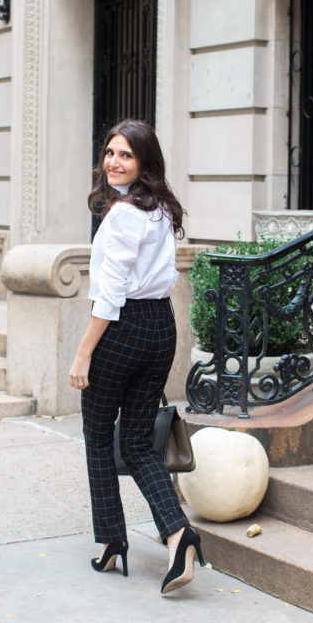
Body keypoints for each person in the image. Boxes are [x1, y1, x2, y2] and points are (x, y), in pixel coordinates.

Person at [68, 118, 205, 594]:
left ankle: (111, 544)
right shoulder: (161, 208)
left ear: (144, 161)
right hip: (160, 328)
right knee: (139, 443)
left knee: (98, 435)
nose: (114, 161)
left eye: (125, 154)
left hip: (123, 328)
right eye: (110, 152)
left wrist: (84, 353)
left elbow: (110, 292)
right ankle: (177, 532)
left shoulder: (125, 214)